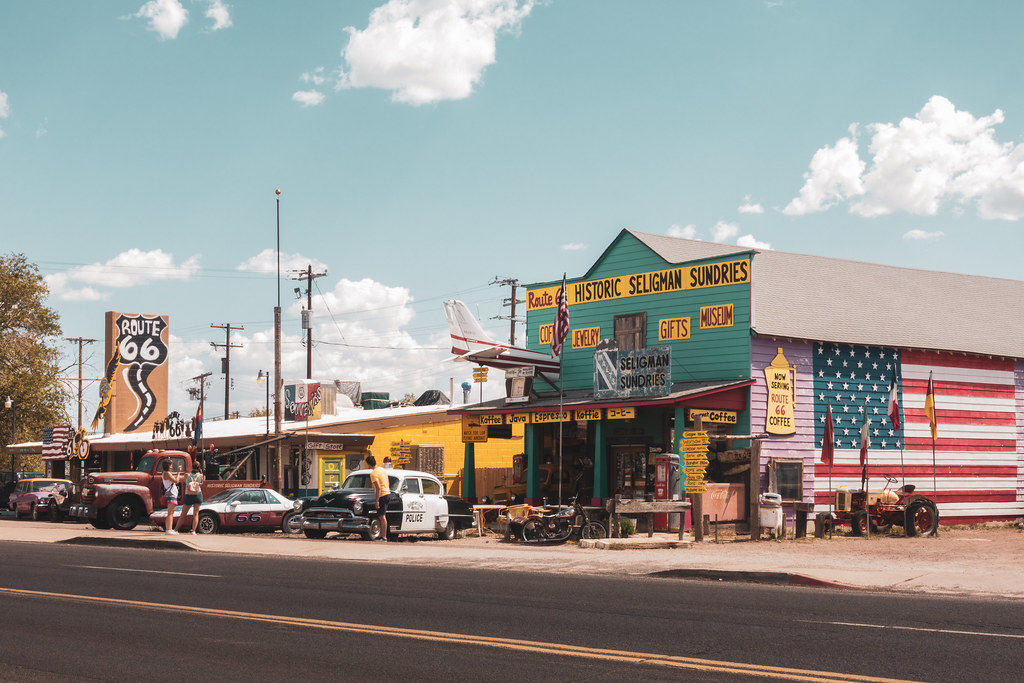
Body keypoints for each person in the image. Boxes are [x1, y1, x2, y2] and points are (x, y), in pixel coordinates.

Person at [174, 462, 205, 534]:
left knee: (183, 514)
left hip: (188, 495)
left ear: (192, 467)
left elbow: (185, 482)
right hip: (198, 495)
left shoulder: (186, 475)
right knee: (196, 514)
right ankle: (193, 531)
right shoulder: (200, 475)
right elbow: (202, 483)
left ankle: (175, 529)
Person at [367, 455, 391, 542]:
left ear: (369, 464)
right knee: (381, 515)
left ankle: (384, 537)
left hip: (382, 495)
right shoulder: (382, 470)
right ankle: (381, 535)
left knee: (382, 516)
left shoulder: (373, 473)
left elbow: (378, 487)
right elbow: (387, 481)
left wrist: (377, 500)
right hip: (387, 493)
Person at [161, 460, 182, 534]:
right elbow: (176, 481)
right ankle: (169, 529)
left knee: (170, 512)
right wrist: (178, 472)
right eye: (171, 465)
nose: (171, 467)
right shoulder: (167, 473)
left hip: (171, 494)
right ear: (168, 466)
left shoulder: (165, 473)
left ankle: (169, 529)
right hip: (171, 494)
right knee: (170, 513)